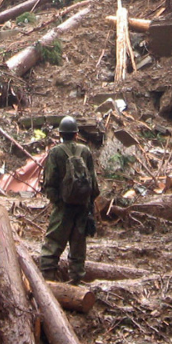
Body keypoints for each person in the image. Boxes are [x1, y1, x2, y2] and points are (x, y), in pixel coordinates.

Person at [39, 116, 99, 284]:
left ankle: (48, 280)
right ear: (76, 134)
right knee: (78, 245)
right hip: (82, 207)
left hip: (63, 207)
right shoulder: (85, 151)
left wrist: (58, 202)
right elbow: (93, 184)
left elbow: (49, 182)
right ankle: (76, 280)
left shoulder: (55, 152)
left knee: (53, 243)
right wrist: (88, 204)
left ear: (60, 134)